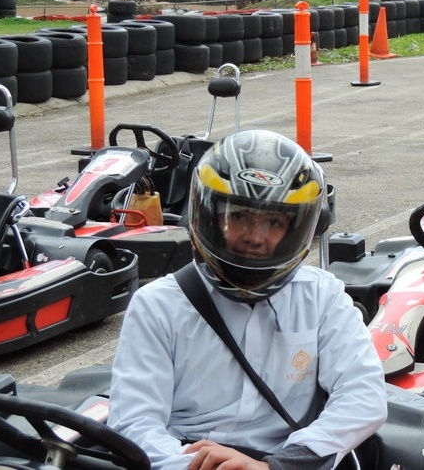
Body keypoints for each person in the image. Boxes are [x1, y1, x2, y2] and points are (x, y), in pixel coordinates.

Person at [108, 130, 387, 470]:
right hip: (189, 459)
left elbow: (363, 397)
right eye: (238, 216)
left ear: (296, 228)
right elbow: (135, 423)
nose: (255, 237)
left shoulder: (321, 297)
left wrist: (276, 466)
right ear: (208, 216)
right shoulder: (158, 306)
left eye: (273, 222)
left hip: (288, 458)